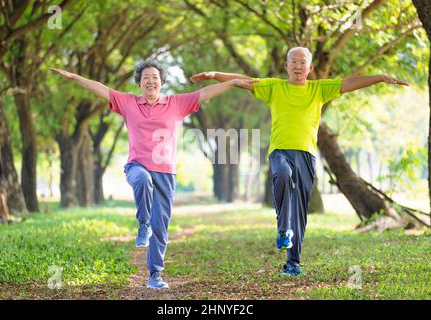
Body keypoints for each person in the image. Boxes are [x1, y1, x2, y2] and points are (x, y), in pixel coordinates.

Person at [190, 47, 409, 276]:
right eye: (293, 62)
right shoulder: (274, 87)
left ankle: (292, 263)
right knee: (282, 175)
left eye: (302, 62)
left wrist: (380, 79)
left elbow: (349, 83)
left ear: (310, 68)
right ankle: (283, 228)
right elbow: (242, 81)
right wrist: (214, 74)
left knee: (300, 211)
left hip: (306, 155)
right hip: (280, 152)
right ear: (286, 66)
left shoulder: (319, 89)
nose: (297, 66)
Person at [50, 60, 255, 289]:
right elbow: (100, 88)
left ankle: (155, 275)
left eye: (155, 77)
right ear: (139, 83)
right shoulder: (128, 102)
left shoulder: (176, 104)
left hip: (166, 173)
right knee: (143, 180)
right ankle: (143, 223)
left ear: (161, 82)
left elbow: (206, 92)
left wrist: (233, 82)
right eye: (146, 77)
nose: (150, 80)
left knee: (162, 227)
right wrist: (74, 77)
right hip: (137, 166)